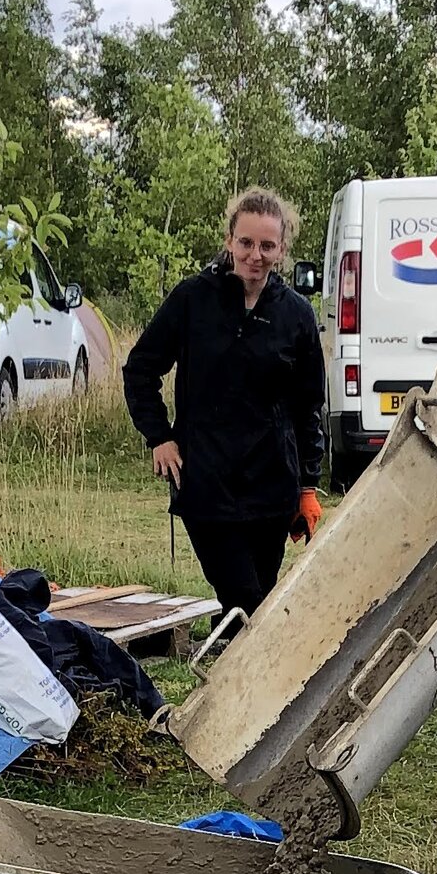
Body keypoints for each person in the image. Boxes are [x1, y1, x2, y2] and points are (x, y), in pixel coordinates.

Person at [123, 190, 326, 624]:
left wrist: (308, 485)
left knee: (256, 600)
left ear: (282, 250)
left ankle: (247, 680)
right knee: (243, 597)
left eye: (267, 246)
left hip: (272, 485)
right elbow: (140, 369)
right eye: (246, 242)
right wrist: (159, 436)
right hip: (206, 481)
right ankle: (261, 676)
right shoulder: (192, 300)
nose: (256, 255)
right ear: (230, 240)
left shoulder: (297, 315)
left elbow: (309, 405)